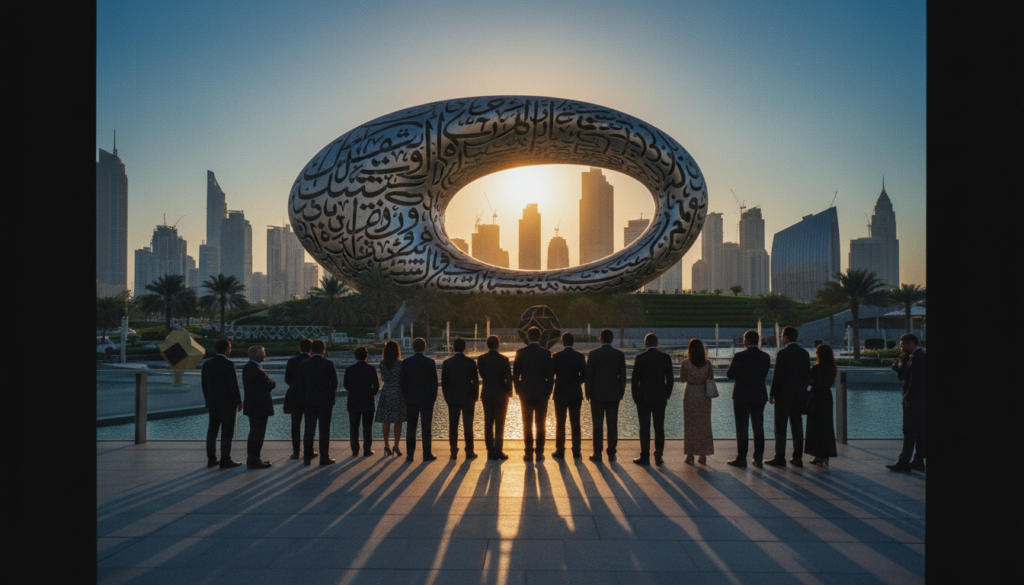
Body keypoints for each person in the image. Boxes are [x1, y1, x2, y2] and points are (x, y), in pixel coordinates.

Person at [766, 326, 811, 468]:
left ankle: (780, 456)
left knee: (780, 427)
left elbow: (777, 376)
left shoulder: (782, 353)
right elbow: (807, 376)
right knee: (797, 426)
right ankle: (797, 457)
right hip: (798, 395)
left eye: (782, 335)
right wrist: (804, 392)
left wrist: (772, 394)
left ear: (786, 337)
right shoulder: (804, 353)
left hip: (783, 396)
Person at [725, 330, 771, 467]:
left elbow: (730, 374)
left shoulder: (739, 356)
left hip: (742, 396)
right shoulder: (765, 357)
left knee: (742, 428)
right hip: (759, 395)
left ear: (747, 341)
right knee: (758, 427)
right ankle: (758, 458)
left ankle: (741, 458)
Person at [630, 333, 674, 466]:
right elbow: (670, 379)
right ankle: (658, 455)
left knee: (644, 428)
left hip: (643, 398)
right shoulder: (665, 357)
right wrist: (666, 394)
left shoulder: (640, 358)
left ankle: (645, 456)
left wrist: (635, 397)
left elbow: (634, 381)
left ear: (646, 343)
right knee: (659, 427)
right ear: (657, 343)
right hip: (660, 397)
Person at [513, 326, 555, 461]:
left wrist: (518, 390)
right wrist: (548, 392)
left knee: (527, 423)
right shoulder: (546, 353)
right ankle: (540, 452)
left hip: (525, 393)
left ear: (527, 337)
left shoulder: (520, 352)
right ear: (540, 337)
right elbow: (550, 377)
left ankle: (528, 452)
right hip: (541, 393)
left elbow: (516, 375)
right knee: (540, 423)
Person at [585, 329, 627, 463]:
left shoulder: (593, 354)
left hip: (597, 394)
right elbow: (623, 377)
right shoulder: (619, 355)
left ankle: (597, 453)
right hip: (613, 395)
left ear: (601, 339)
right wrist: (620, 392)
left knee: (597, 424)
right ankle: (611, 453)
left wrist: (587, 392)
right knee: (612, 424)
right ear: (612, 339)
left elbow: (589, 376)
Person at [887, 333, 926, 472]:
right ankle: (918, 460)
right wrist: (901, 363)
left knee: (909, 431)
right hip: (919, 402)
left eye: (903, 345)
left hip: (914, 402)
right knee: (920, 431)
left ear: (911, 344)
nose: (901, 347)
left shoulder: (918, 358)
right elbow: (897, 368)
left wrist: (907, 399)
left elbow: (916, 382)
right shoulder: (912, 357)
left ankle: (904, 461)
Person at [202, 339, 243, 469]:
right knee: (227, 431)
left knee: (212, 431)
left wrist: (208, 399)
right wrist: (238, 401)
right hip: (227, 404)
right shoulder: (229, 364)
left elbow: (204, 385)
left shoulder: (207, 364)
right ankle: (226, 459)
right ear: (227, 349)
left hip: (212, 403)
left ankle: (211, 459)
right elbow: (233, 385)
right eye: (229, 348)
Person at [296, 339, 338, 466]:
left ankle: (307, 456)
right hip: (325, 402)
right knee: (324, 430)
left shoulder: (304, 364)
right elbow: (334, 384)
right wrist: (330, 397)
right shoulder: (329, 364)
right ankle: (324, 457)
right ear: (323, 350)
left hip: (309, 401)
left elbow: (300, 384)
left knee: (309, 429)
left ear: (311, 350)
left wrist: (305, 398)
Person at [400, 337, 438, 462]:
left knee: (411, 427)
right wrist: (433, 398)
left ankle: (410, 454)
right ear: (424, 348)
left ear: (413, 348)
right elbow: (434, 384)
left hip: (411, 398)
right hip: (426, 399)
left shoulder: (406, 363)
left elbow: (403, 383)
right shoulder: (430, 362)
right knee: (426, 427)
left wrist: (406, 396)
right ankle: (427, 454)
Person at [441, 337, 480, 460]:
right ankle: (469, 451)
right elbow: (475, 382)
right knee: (468, 425)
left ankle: (453, 450)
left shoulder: (447, 363)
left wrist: (447, 397)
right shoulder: (471, 362)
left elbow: (444, 383)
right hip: (468, 397)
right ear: (465, 347)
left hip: (452, 397)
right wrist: (475, 396)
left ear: (453, 348)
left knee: (453, 425)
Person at [551, 331, 586, 459]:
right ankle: (576, 450)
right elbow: (584, 375)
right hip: (575, 393)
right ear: (573, 342)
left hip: (560, 392)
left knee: (560, 423)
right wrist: (576, 382)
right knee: (575, 423)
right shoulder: (580, 356)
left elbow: (552, 374)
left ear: (562, 341)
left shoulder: (556, 356)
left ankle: (560, 450)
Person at [680, 338, 715, 465]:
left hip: (690, 394)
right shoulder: (708, 364)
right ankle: (703, 455)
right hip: (703, 395)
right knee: (704, 425)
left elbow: (682, 379)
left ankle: (690, 455)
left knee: (690, 425)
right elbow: (711, 377)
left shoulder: (685, 363)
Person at [478, 335, 512, 460]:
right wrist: (509, 392)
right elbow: (508, 378)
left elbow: (482, 375)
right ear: (498, 345)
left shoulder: (481, 359)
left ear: (487, 345)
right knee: (499, 424)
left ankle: (489, 450)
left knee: (488, 422)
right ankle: (498, 450)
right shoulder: (504, 359)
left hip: (487, 393)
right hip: (501, 395)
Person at [242, 344, 276, 469]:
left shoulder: (249, 367)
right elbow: (267, 385)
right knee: (257, 434)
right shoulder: (255, 369)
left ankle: (254, 458)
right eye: (262, 352)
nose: (264, 355)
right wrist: (272, 382)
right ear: (255, 355)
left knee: (255, 432)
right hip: (259, 407)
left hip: (253, 406)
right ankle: (254, 459)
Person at [805, 344, 838, 467]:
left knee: (815, 427)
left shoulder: (817, 367)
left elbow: (808, 380)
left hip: (816, 397)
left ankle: (818, 455)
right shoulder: (832, 368)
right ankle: (825, 455)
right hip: (827, 398)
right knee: (826, 426)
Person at [344, 346, 379, 457]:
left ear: (355, 356)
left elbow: (346, 385)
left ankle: (355, 450)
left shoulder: (349, 370)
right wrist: (370, 393)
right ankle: (367, 449)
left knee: (354, 427)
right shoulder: (371, 369)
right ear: (366, 356)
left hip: (353, 401)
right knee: (367, 427)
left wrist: (354, 391)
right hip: (368, 401)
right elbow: (376, 386)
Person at [374, 340, 406, 457]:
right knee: (398, 420)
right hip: (398, 392)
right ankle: (396, 446)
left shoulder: (382, 364)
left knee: (386, 420)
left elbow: (383, 379)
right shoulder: (401, 364)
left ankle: (386, 445)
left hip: (387, 391)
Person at [284, 338, 313, 460]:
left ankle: (296, 451)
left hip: (295, 396)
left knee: (295, 425)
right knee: (309, 425)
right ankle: (308, 451)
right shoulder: (312, 361)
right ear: (311, 349)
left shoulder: (292, 361)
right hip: (310, 397)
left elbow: (287, 379)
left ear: (300, 348)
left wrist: (296, 386)